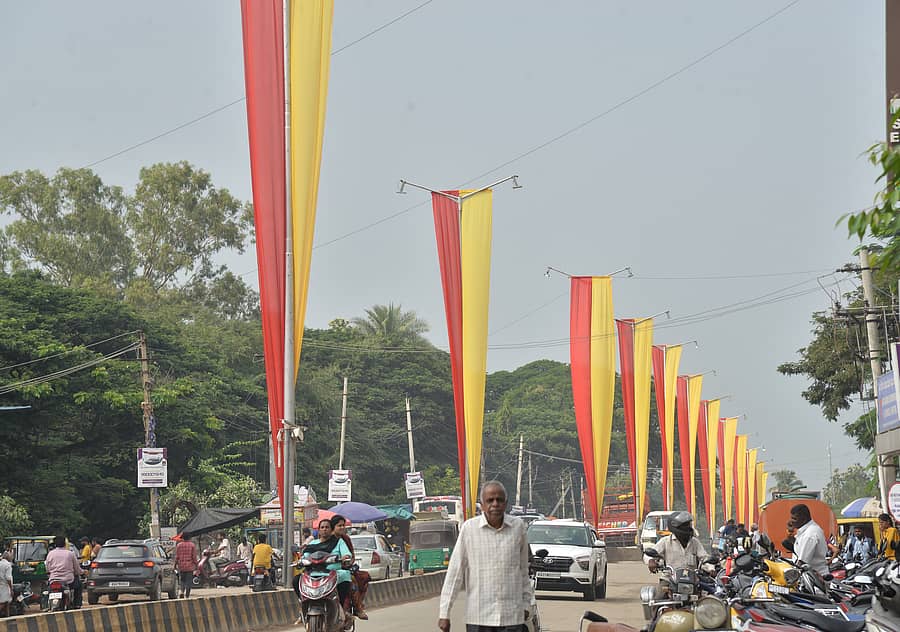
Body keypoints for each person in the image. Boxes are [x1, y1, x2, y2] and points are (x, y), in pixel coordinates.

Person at [438, 480, 532, 632]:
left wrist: (527, 604)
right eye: (490, 500)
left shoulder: (518, 527)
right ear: (482, 505)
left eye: (499, 500)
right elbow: (455, 572)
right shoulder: (469, 529)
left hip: (512, 617)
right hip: (479, 618)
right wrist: (444, 613)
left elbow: (523, 572)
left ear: (506, 503)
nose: (495, 504)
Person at [303, 518, 353, 622]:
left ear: (331, 530)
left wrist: (346, 557)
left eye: (327, 527)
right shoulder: (312, 544)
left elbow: (346, 554)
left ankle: (341, 606)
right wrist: (302, 561)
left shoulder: (339, 542)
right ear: (319, 530)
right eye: (322, 527)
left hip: (333, 573)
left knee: (345, 576)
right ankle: (303, 608)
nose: (325, 529)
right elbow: (305, 556)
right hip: (313, 573)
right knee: (296, 580)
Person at [332, 515, 369, 620]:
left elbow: (351, 554)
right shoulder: (326, 539)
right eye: (339, 525)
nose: (342, 528)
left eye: (343, 525)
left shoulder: (345, 539)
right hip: (326, 570)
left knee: (358, 579)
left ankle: (357, 607)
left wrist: (348, 562)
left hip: (343, 569)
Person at [45, 535, 82, 608]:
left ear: (55, 544)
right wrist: (82, 572)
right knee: (79, 585)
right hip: (68, 580)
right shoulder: (70, 553)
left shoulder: (50, 554)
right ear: (65, 543)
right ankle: (77, 604)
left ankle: (46, 605)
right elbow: (77, 569)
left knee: (46, 590)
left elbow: (47, 568)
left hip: (53, 580)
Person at [790, 504, 828, 574]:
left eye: (794, 519)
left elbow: (802, 561)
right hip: (810, 575)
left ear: (804, 519)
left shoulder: (810, 534)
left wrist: (792, 574)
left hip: (815, 577)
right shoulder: (805, 531)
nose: (791, 521)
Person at [0, 551, 12, 617]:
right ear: (8, 557)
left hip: (1, 584)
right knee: (4, 602)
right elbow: (8, 578)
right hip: (5, 585)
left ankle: (8, 616)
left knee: (7, 602)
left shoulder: (0, 563)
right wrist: (11, 589)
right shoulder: (7, 565)